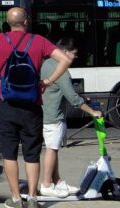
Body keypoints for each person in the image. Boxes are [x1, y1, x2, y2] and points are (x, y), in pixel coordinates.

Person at [0, 7, 73, 208]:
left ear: (8, 23)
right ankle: (32, 198)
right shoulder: (39, 41)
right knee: (32, 154)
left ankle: (16, 199)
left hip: (7, 104)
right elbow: (65, 59)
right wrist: (48, 81)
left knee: (9, 153)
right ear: (26, 22)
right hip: (32, 106)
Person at [39, 38, 103, 198]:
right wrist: (92, 112)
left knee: (52, 149)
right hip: (53, 115)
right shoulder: (62, 71)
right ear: (65, 53)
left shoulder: (47, 63)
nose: (75, 57)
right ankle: (46, 185)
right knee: (51, 150)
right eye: (73, 54)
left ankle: (58, 182)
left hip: (43, 112)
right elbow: (72, 99)